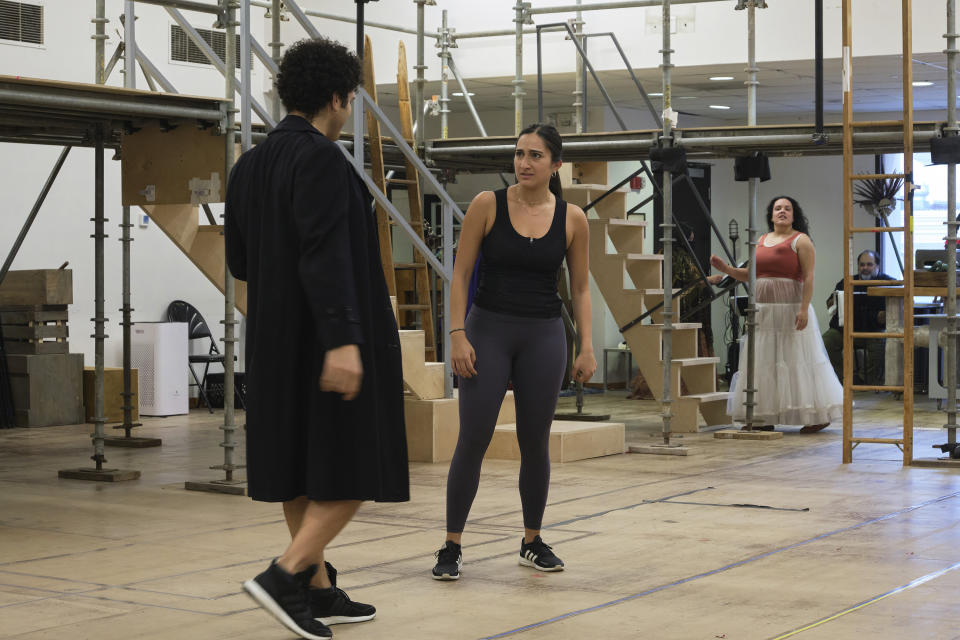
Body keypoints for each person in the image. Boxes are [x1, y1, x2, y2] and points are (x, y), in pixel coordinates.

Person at [225, 37, 409, 640]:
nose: (351, 108)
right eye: (350, 98)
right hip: (325, 340)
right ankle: (283, 577)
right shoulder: (324, 161)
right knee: (357, 469)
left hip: (274, 341)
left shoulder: (249, 165)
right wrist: (343, 340)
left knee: (297, 468)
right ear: (336, 97)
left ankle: (317, 589)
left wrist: (278, 325)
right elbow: (327, 256)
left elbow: (242, 264)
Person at [431, 123, 596, 580]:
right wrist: (457, 334)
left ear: (555, 164)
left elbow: (580, 288)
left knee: (534, 442)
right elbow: (460, 275)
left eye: (536, 156)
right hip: (488, 330)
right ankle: (451, 544)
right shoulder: (487, 204)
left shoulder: (573, 218)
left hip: (544, 334)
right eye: (519, 153)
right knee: (474, 436)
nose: (524, 163)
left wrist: (587, 346)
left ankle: (532, 539)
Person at [709, 195, 842, 433]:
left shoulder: (801, 241)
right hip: (764, 311)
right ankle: (763, 415)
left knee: (798, 360)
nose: (782, 211)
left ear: (794, 215)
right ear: (771, 215)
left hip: (790, 310)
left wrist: (803, 308)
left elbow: (809, 276)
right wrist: (727, 270)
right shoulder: (761, 240)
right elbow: (750, 274)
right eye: (778, 208)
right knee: (764, 362)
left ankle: (817, 415)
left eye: (787, 208)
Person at [821, 250, 893, 385]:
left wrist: (882, 316)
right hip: (845, 330)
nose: (865, 268)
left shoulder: (889, 283)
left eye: (869, 265)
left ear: (878, 266)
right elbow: (831, 303)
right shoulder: (846, 282)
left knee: (882, 344)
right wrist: (832, 302)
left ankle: (864, 380)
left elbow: (895, 310)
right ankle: (842, 380)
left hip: (874, 332)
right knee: (825, 342)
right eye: (862, 265)